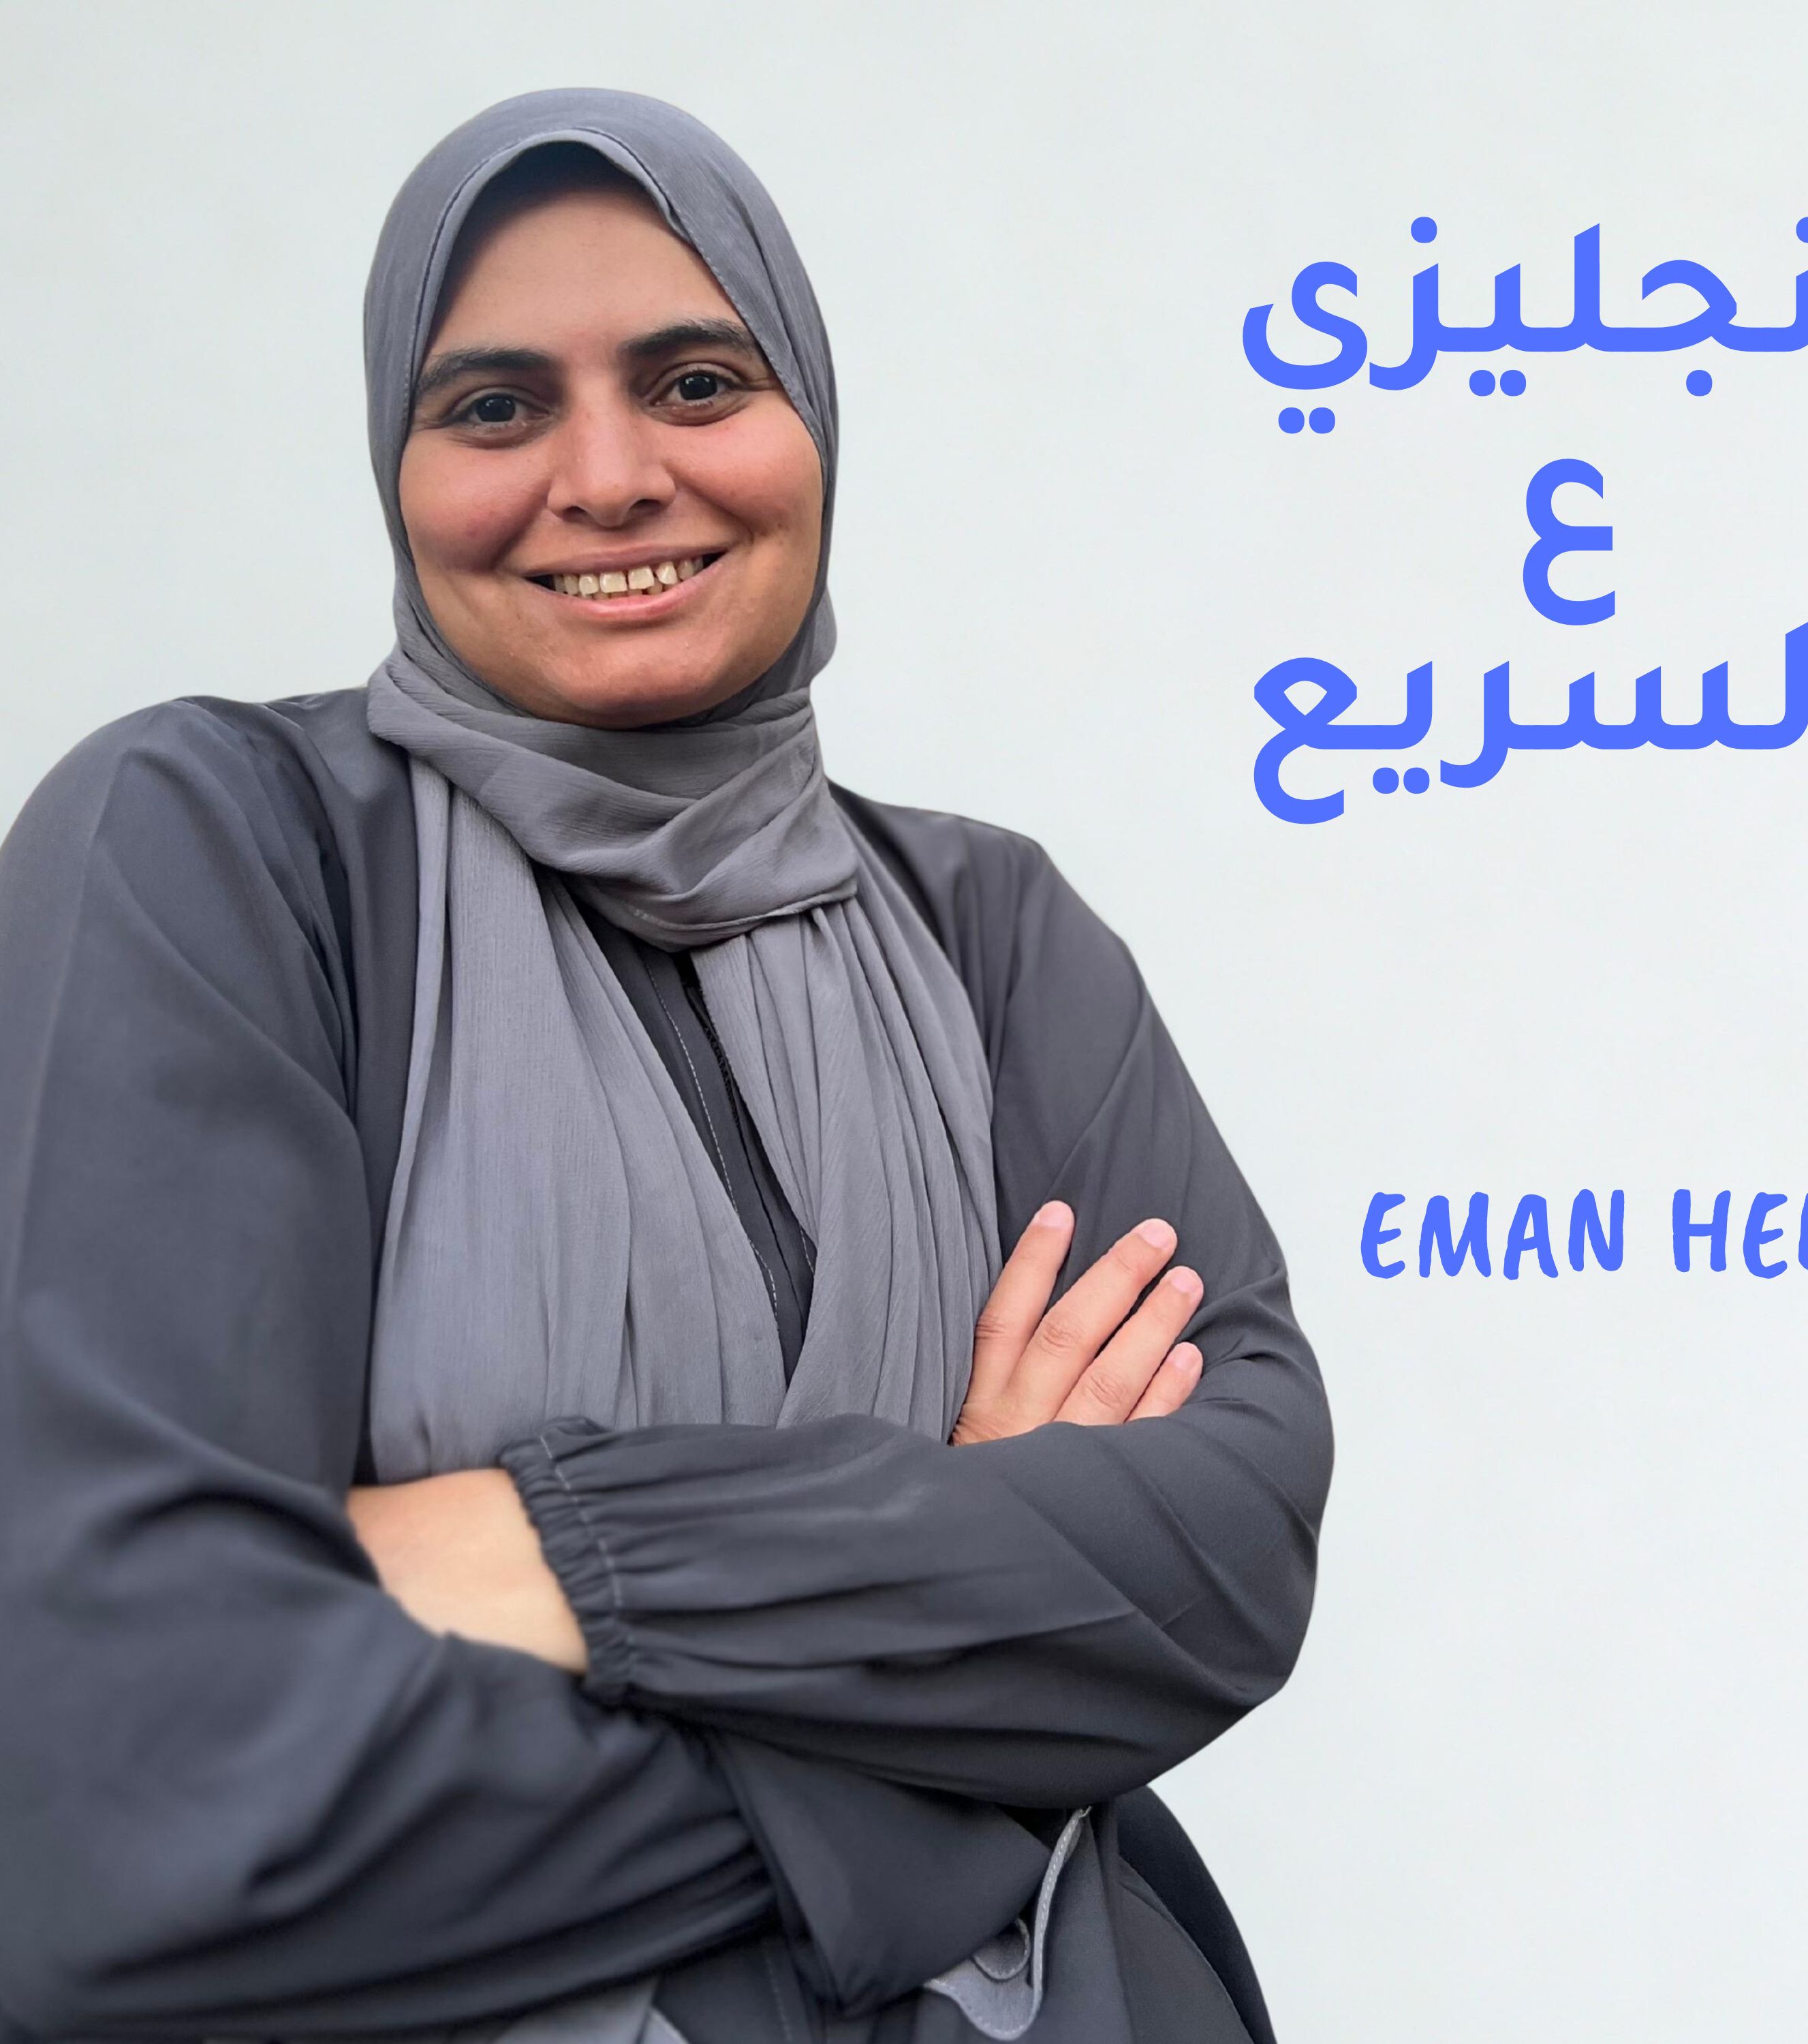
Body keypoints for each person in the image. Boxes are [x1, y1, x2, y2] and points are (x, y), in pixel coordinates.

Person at [0, 89, 1332, 2044]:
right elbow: (137, 1810)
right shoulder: (222, 857)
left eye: (697, 383)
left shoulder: (990, 932)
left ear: (814, 425)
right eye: (495, 408)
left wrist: (555, 1548)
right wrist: (955, 1699)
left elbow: (1223, 1551)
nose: (610, 477)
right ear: (396, 467)